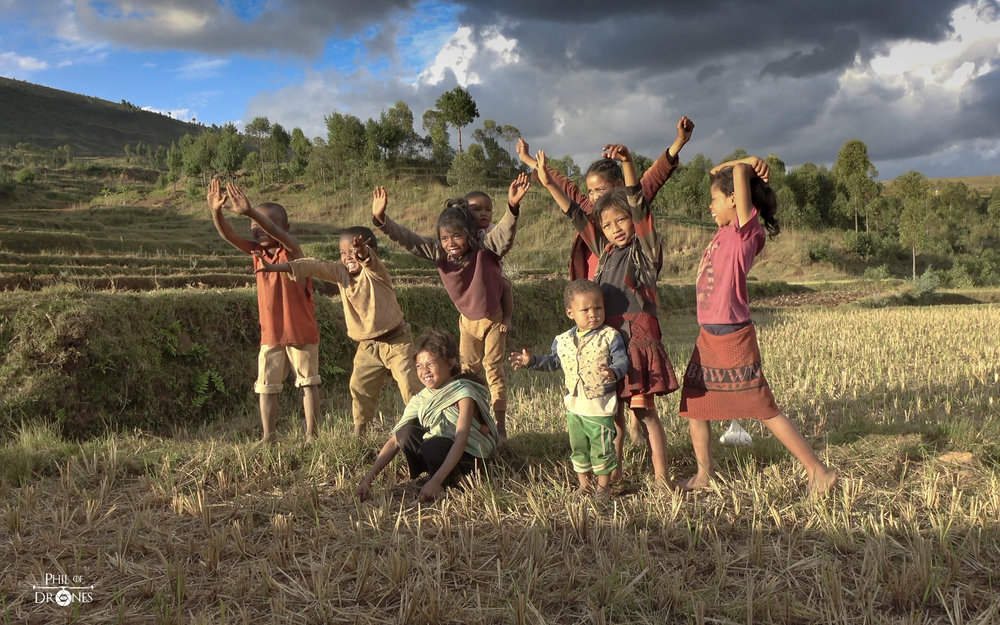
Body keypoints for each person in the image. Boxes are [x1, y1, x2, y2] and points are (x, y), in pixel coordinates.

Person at [677, 157, 837, 494]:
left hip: (732, 336)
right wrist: (736, 167)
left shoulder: (744, 231)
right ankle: (704, 475)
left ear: (735, 199)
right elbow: (714, 173)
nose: (710, 206)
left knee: (763, 408)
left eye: (715, 199)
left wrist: (747, 163)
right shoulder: (723, 232)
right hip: (709, 335)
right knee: (695, 404)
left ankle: (818, 472)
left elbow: (735, 174)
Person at [535, 146, 678, 486]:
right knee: (611, 414)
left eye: (621, 220)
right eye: (608, 224)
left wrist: (628, 163)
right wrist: (548, 183)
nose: (615, 228)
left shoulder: (643, 249)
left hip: (639, 338)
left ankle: (661, 478)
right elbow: (575, 214)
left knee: (644, 412)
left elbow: (639, 202)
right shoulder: (606, 249)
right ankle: (612, 474)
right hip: (608, 341)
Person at [372, 175, 531, 442]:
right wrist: (382, 221)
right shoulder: (439, 252)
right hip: (467, 321)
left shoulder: (485, 249)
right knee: (468, 372)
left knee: (493, 369)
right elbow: (408, 239)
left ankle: (500, 428)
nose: (450, 243)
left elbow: (504, 234)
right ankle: (477, 422)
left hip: (492, 318)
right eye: (444, 238)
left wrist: (512, 208)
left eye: (456, 236)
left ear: (469, 235)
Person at [253, 197, 421, 437]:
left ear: (369, 250)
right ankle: (359, 431)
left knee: (408, 382)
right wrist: (274, 268)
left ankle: (420, 426)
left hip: (397, 340)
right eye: (343, 253)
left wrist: (362, 253)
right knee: (359, 388)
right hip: (367, 345)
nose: (348, 258)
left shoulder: (376, 272)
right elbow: (311, 266)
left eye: (353, 252)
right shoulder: (340, 273)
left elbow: (368, 261)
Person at [206, 179, 320, 443]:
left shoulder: (292, 250)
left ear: (285, 228)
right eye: (253, 225)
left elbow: (279, 235)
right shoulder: (257, 252)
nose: (257, 229)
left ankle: (311, 435)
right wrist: (216, 211)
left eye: (264, 223)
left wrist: (250, 211)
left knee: (308, 383)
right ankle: (269, 436)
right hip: (271, 333)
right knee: (266, 388)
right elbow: (229, 235)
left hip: (301, 332)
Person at [517, 116, 694, 280]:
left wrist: (680, 141)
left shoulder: (633, 206)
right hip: (592, 289)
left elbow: (656, 175)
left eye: (600, 189)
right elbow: (561, 185)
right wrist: (529, 160)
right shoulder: (587, 208)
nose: (594, 196)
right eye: (590, 191)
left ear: (618, 185)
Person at [509, 280, 628, 497]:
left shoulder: (610, 336)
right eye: (585, 310)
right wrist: (531, 361)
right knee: (579, 448)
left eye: (598, 308)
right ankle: (585, 485)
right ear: (570, 313)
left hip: (599, 406)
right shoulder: (562, 340)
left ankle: (603, 487)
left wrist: (613, 371)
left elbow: (621, 359)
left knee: (602, 448)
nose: (593, 314)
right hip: (574, 406)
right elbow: (554, 362)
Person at [355, 330, 499, 503]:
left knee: (432, 446)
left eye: (430, 364)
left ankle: (456, 482)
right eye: (419, 366)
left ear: (449, 363)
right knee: (405, 432)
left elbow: (461, 439)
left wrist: (435, 481)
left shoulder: (463, 393)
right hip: (443, 452)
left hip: (471, 459)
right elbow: (394, 441)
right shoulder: (421, 399)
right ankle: (440, 477)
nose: (425, 371)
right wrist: (367, 480)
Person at [465, 190, 515, 333]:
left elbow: (502, 243)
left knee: (505, 285)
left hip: (493, 269)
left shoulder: (493, 229)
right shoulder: (465, 231)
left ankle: (507, 317)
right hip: (472, 272)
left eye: (488, 210)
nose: (484, 213)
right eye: (477, 210)